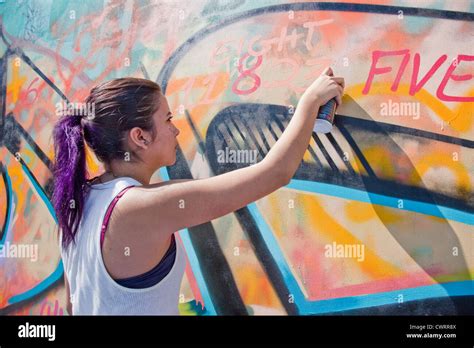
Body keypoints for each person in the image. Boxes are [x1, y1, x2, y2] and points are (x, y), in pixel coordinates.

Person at [53, 67, 344, 315]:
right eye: (167, 119)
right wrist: (309, 103)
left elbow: (71, 306)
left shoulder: (79, 201)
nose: (175, 130)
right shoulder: (136, 207)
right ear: (140, 137)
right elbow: (274, 173)